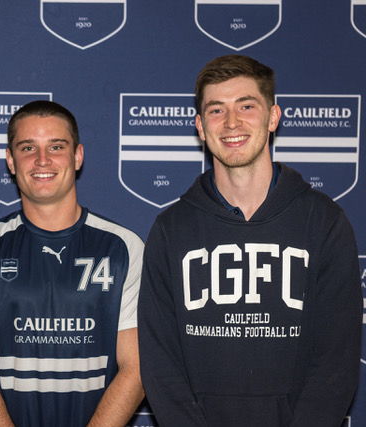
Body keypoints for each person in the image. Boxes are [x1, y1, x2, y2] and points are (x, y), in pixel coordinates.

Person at [138, 54, 362, 427]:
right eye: (216, 110)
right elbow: (161, 364)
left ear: (273, 117)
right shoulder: (170, 229)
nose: (231, 123)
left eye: (246, 106)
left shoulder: (324, 222)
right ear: (199, 125)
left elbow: (335, 362)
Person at [0, 100, 144, 426]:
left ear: (77, 156)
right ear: (10, 160)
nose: (42, 160)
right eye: (27, 148)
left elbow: (137, 368)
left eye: (56, 146)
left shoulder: (124, 247)